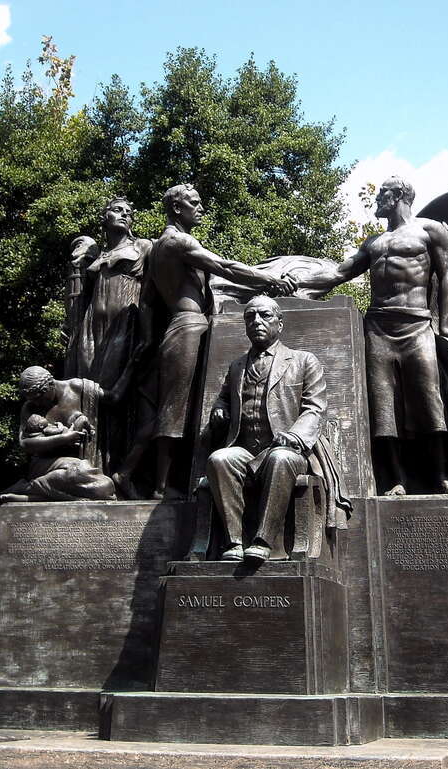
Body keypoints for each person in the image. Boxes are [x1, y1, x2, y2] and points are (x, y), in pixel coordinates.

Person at [112, 184, 295, 499]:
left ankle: (144, 476)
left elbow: (147, 302)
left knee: (178, 405)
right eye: (194, 203)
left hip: (181, 328)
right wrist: (269, 279)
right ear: (177, 208)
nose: (201, 209)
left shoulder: (156, 249)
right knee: (174, 409)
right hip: (188, 328)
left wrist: (145, 341)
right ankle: (157, 486)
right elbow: (224, 266)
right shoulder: (177, 241)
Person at [289, 176, 448, 494]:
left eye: (382, 194)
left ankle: (440, 476)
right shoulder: (373, 244)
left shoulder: (429, 230)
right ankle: (395, 479)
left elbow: (447, 277)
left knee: (429, 401)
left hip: (417, 326)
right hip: (378, 329)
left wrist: (445, 325)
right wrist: (298, 285)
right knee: (383, 406)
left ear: (398, 196)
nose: (377, 200)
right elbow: (339, 274)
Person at [205, 296, 350, 562]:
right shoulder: (237, 366)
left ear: (279, 324)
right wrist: (219, 407)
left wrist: (294, 436)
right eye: (250, 317)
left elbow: (314, 409)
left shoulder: (304, 361)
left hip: (291, 451)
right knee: (219, 459)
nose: (256, 322)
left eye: (264, 316)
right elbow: (224, 396)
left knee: (280, 457)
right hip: (246, 449)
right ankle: (234, 543)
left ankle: (264, 541)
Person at [65, 197, 154, 472]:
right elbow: (77, 297)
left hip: (125, 324)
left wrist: (148, 332)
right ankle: (86, 462)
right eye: (117, 210)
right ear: (104, 217)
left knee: (113, 398)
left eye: (129, 212)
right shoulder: (98, 254)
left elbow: (160, 286)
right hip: (92, 328)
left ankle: (113, 466)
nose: (125, 215)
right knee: (86, 391)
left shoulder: (143, 247)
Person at [0, 367, 120, 503]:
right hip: (46, 464)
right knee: (94, 482)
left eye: (40, 396)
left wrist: (132, 365)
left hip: (77, 466)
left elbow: (115, 398)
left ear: (51, 384)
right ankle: (31, 489)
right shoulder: (30, 407)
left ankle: (30, 492)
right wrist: (64, 438)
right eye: (32, 399)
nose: (37, 403)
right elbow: (25, 443)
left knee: (104, 487)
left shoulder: (77, 388)